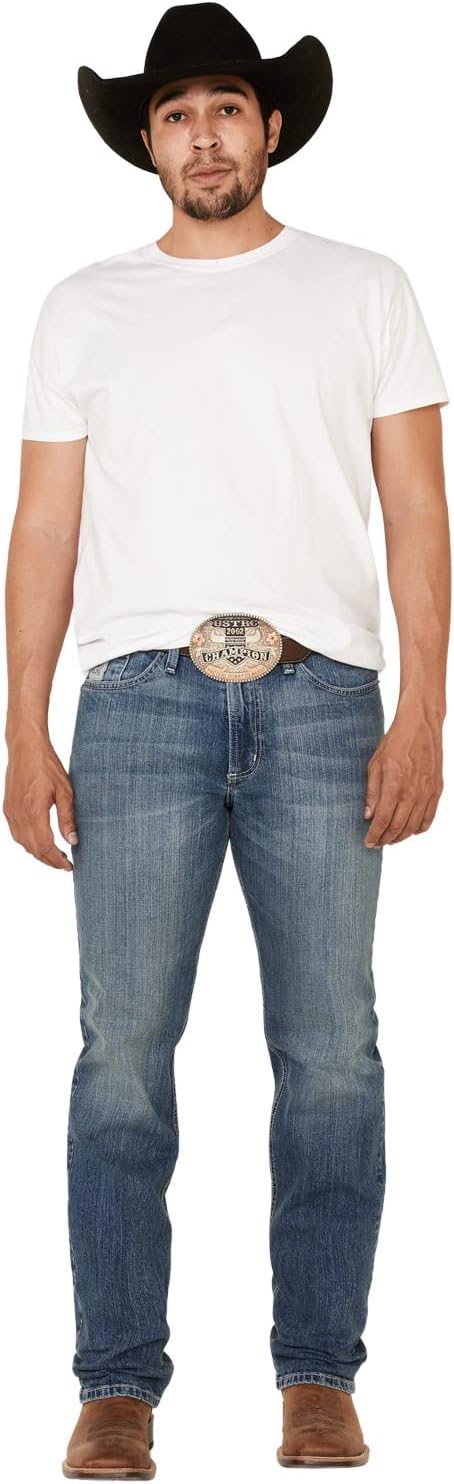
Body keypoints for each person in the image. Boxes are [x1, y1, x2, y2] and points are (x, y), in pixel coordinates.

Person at [3, 3, 450, 1476]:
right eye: (177, 113)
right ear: (149, 141)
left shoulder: (365, 287)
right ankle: (116, 1386)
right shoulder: (84, 305)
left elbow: (416, 510)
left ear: (272, 128)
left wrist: (423, 710)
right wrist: (24, 728)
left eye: (228, 109)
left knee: (332, 1054)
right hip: (137, 701)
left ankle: (318, 1375)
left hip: (324, 700)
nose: (204, 136)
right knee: (122, 1054)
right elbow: (45, 525)